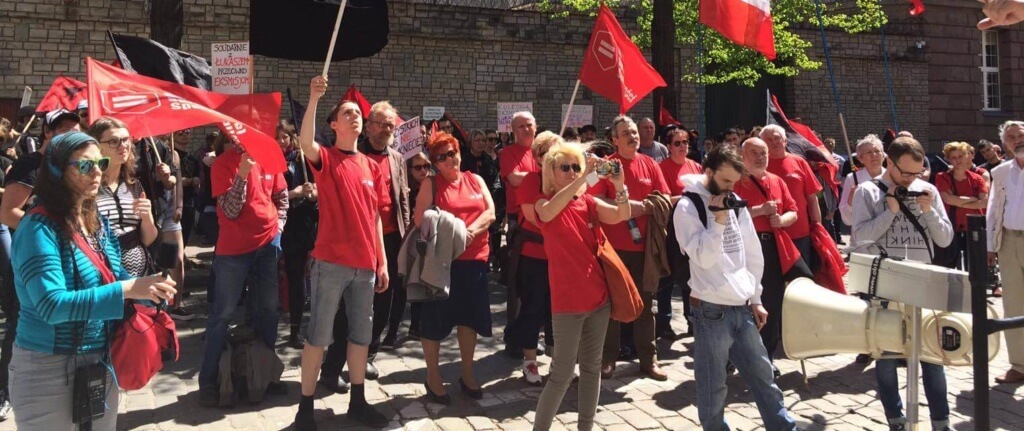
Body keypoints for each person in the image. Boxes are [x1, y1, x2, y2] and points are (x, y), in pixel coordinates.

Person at [9, 131, 176, 430]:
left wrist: (147, 288)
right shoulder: (38, 227)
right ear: (57, 170)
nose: (98, 171)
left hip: (99, 360)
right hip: (47, 367)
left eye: (99, 162)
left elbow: (116, 276)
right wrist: (126, 289)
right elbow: (52, 306)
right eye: (85, 166)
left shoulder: (95, 221)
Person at [673, 147, 799, 431]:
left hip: (742, 306)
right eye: (726, 181)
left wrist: (755, 298)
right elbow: (703, 257)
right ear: (709, 172)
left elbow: (750, 253)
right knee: (713, 386)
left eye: (735, 181)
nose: (731, 187)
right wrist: (717, 221)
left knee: (763, 376)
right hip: (710, 309)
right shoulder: (686, 207)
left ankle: (784, 427)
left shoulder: (735, 201)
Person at [294, 76, 391, 429]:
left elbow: (376, 218)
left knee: (361, 337)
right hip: (331, 262)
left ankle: (358, 400)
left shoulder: (371, 166)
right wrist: (314, 97)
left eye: (358, 114)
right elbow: (306, 142)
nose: (355, 117)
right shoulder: (327, 158)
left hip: (365, 266)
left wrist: (381, 261)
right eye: (347, 113)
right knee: (319, 335)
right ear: (333, 124)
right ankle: (305, 408)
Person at [850, 137, 954, 431]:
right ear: (890, 163)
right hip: (884, 284)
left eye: (917, 174)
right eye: (906, 173)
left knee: (932, 357)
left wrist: (930, 211)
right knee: (886, 357)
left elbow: (945, 239)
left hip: (923, 283)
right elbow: (860, 240)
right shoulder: (867, 192)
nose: (912, 180)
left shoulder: (928, 190)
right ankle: (895, 419)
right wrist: (890, 212)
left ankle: (941, 422)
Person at [531, 141, 629, 431]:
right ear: (551, 171)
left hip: (599, 299)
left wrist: (620, 185)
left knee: (591, 369)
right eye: (566, 167)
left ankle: (585, 427)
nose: (573, 172)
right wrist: (586, 174)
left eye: (576, 167)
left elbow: (620, 215)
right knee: (561, 373)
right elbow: (548, 213)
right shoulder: (542, 202)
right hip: (568, 304)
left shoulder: (587, 202)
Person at [198, 132, 288, 407]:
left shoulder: (270, 154)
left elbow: (281, 196)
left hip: (268, 244)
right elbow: (230, 209)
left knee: (269, 311)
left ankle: (264, 374)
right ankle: (209, 381)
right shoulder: (224, 163)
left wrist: (279, 227)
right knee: (222, 315)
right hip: (234, 250)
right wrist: (243, 173)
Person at [413, 132, 496, 403]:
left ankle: (468, 372)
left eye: (453, 153)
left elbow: (491, 212)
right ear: (436, 162)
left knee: (469, 320)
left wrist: (467, 232)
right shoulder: (431, 184)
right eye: (443, 156)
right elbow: (420, 222)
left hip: (475, 260)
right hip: (443, 264)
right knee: (435, 321)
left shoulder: (476, 179)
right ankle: (433, 375)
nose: (451, 159)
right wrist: (452, 231)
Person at [591, 115, 670, 381]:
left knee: (646, 306)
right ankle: (607, 360)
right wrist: (622, 208)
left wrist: (647, 206)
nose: (632, 136)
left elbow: (665, 197)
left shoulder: (650, 163)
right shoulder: (606, 166)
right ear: (614, 139)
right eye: (625, 132)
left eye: (634, 132)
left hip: (644, 249)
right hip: (613, 247)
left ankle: (649, 361)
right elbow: (590, 194)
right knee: (612, 306)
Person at [733, 138, 811, 375]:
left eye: (763, 153)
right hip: (743, 248)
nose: (760, 157)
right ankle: (734, 354)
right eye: (754, 152)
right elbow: (728, 214)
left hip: (772, 248)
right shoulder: (736, 181)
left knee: (771, 303)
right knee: (740, 302)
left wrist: (781, 220)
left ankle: (767, 356)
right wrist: (760, 211)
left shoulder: (777, 181)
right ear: (743, 155)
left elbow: (793, 211)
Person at [505, 131, 560, 384]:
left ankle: (558, 361)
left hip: (561, 256)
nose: (549, 157)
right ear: (537, 157)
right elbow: (537, 218)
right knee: (533, 308)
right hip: (534, 256)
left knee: (559, 311)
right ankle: (530, 361)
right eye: (544, 153)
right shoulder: (530, 181)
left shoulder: (567, 181)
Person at [89, 117, 159, 278]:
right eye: (114, 141)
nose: (123, 146)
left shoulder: (134, 185)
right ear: (96, 147)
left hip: (139, 276)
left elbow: (147, 240)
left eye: (126, 139)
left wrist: (147, 218)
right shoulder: (89, 185)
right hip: (103, 274)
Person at [986, 120, 1024, 384]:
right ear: (1005, 144)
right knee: (1013, 303)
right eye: (1011, 137)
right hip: (1009, 241)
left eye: (1021, 134)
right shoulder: (1000, 172)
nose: (1017, 139)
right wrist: (990, 245)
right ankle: (1019, 364)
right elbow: (993, 209)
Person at [657, 127, 702, 338]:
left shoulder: (695, 166)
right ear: (668, 146)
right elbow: (661, 200)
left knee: (690, 276)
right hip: (670, 228)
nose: (683, 146)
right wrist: (685, 196)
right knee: (667, 278)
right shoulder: (662, 168)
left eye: (685, 142)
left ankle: (692, 318)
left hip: (692, 228)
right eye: (677, 143)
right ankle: (664, 322)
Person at [278, 120, 318, 350]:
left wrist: (312, 193)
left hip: (303, 223)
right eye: (279, 138)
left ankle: (297, 328)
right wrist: (295, 193)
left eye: (286, 138)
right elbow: (273, 194)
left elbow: (317, 188)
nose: (283, 142)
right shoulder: (271, 161)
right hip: (282, 223)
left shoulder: (302, 160)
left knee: (301, 277)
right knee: (288, 277)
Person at [499, 111, 539, 341]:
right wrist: (543, 176)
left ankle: (531, 333)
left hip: (543, 219)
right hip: (519, 222)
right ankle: (514, 335)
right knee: (518, 281)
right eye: (520, 126)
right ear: (513, 131)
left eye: (529, 125)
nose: (526, 129)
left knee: (537, 283)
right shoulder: (508, 152)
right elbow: (514, 178)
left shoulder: (542, 152)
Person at [761, 125, 823, 266]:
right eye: (768, 140)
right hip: (769, 234)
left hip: (800, 233)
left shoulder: (799, 162)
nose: (774, 142)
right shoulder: (759, 165)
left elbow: (812, 199)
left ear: (785, 141)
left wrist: (817, 226)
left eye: (777, 138)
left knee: (802, 278)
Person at [934, 142, 988, 271]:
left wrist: (958, 200)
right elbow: (947, 199)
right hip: (952, 226)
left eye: (960, 156)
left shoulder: (977, 178)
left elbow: (984, 203)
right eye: (953, 157)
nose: (958, 160)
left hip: (973, 226)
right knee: (946, 265)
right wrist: (972, 199)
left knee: (975, 268)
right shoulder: (942, 177)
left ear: (967, 156)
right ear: (948, 159)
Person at [840, 135, 887, 226]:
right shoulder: (852, 179)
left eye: (877, 151)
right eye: (869, 152)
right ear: (860, 159)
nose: (874, 155)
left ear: (884, 156)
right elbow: (846, 219)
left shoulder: (893, 177)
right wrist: (851, 202)